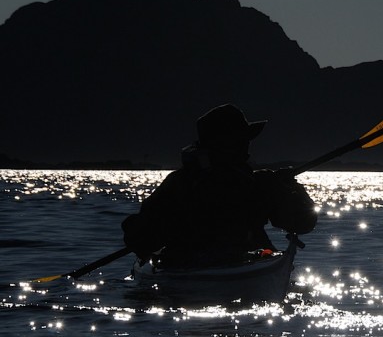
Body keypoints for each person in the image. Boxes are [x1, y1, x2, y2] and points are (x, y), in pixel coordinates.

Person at [122, 104, 317, 268]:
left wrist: (291, 188)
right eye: (241, 141)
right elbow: (304, 222)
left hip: (202, 265)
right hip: (203, 266)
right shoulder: (258, 184)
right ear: (227, 144)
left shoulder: (179, 182)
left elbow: (302, 223)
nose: (246, 148)